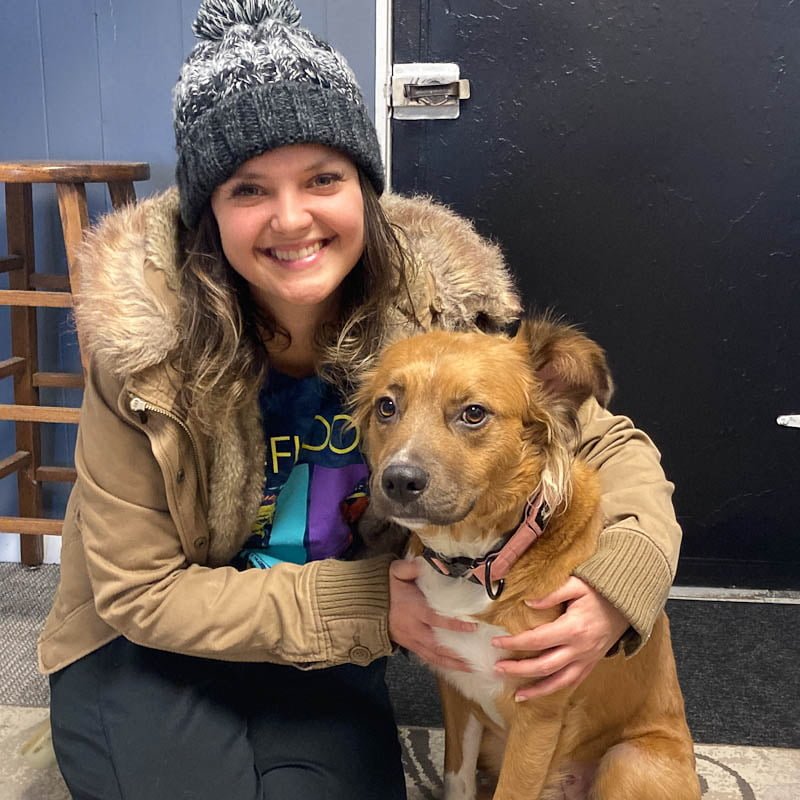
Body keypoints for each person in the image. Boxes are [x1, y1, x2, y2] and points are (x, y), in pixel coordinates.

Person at [37, 1, 682, 798]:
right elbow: (139, 592)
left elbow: (609, 446)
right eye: (249, 189)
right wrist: (368, 603)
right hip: (151, 648)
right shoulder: (145, 349)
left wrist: (625, 582)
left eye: (323, 178)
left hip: (322, 654)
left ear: (364, 191)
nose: (292, 218)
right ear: (209, 209)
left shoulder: (447, 313)